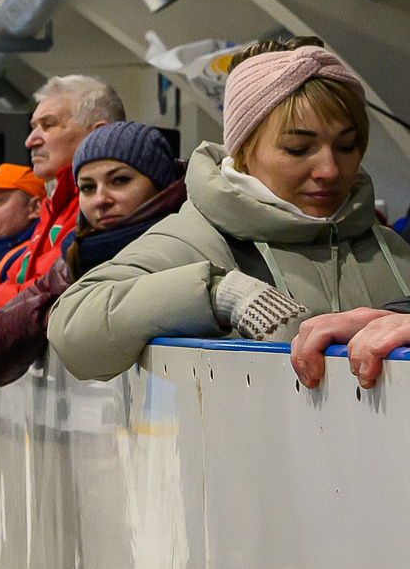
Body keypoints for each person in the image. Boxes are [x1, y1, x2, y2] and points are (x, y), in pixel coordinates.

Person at [50, 37, 410, 386]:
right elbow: (73, 326)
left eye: (346, 147)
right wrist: (217, 293)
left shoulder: (391, 250)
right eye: (298, 149)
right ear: (243, 150)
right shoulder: (196, 239)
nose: (329, 170)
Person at [0, 123, 183, 384]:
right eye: (87, 187)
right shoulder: (74, 258)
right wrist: (51, 314)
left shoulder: (185, 241)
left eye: (120, 180)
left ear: (159, 183)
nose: (101, 199)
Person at [0, 76, 122, 324]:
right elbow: (18, 288)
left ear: (96, 134)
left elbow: (35, 295)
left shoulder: (97, 209)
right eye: (33, 127)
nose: (30, 141)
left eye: (48, 125)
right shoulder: (55, 205)